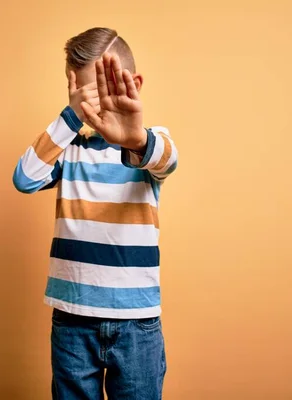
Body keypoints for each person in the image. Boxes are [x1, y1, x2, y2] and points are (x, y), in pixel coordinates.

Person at [12, 27, 178, 400]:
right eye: (84, 97)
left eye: (104, 93)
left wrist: (134, 138)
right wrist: (69, 119)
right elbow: (25, 179)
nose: (96, 107)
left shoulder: (146, 147)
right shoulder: (70, 151)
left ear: (133, 84)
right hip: (72, 319)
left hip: (137, 324)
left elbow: (167, 160)